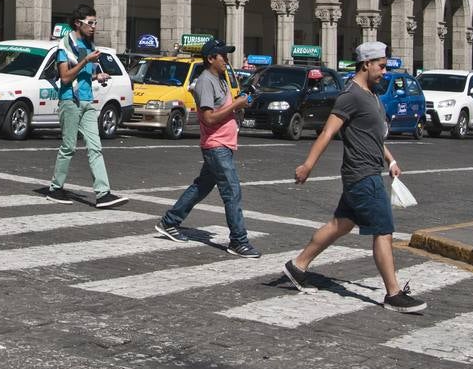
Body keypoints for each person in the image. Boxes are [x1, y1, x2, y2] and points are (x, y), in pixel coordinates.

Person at [283, 41, 426, 314]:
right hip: (362, 175)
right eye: (381, 66)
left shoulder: (370, 94)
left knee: (341, 224)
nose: (384, 71)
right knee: (383, 231)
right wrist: (308, 165)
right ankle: (393, 294)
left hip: (367, 170)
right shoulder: (350, 95)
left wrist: (391, 160)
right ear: (366, 64)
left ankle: (297, 266)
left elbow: (373, 135)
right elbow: (327, 132)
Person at [154, 38, 260, 257]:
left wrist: (241, 102)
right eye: (223, 56)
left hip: (225, 143)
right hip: (216, 145)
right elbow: (209, 118)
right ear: (211, 58)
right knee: (232, 191)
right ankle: (238, 241)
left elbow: (226, 109)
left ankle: (169, 221)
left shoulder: (220, 79)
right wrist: (237, 104)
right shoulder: (205, 81)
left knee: (202, 186)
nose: (227, 60)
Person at [40, 4, 128, 208]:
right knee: (68, 147)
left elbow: (84, 76)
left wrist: (98, 75)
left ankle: (103, 193)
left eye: (96, 22)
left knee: (95, 147)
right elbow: (65, 78)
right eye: (90, 23)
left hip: (88, 101)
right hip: (70, 101)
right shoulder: (64, 47)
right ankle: (55, 188)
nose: (94, 27)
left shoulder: (89, 45)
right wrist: (85, 60)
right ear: (78, 23)